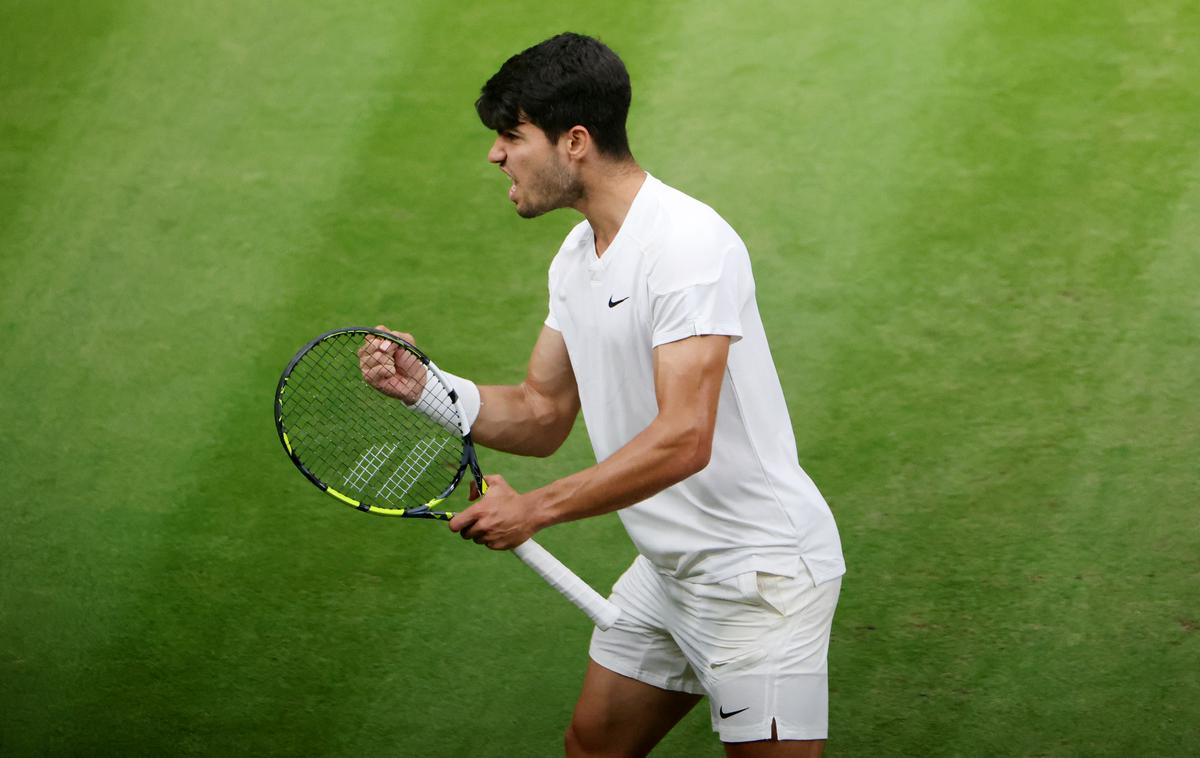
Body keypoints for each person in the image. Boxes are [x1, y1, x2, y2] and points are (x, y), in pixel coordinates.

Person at [362, 32, 845, 757]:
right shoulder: (577, 256)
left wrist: (535, 509)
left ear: (575, 141)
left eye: (511, 134)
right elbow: (542, 411)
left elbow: (685, 436)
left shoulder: (686, 246)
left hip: (758, 578)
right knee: (593, 749)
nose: (496, 154)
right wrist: (427, 389)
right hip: (670, 570)